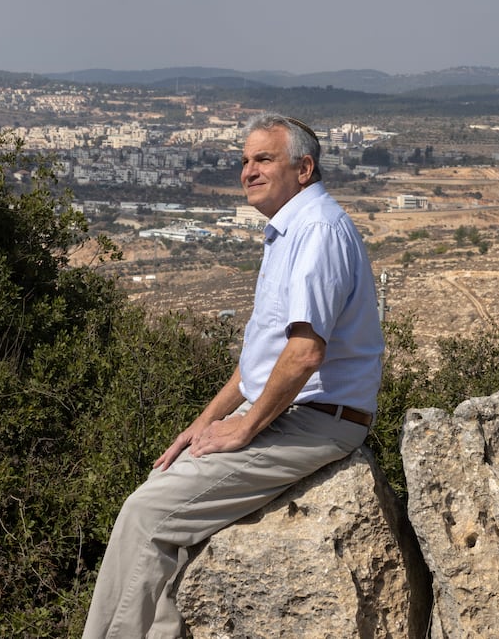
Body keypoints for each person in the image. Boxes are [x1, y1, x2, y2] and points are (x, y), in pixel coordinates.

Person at [82, 112, 385, 638]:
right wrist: (203, 424)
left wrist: (244, 428)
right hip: (292, 411)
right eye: (244, 161)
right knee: (169, 498)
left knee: (146, 514)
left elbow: (305, 354)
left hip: (317, 419)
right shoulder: (290, 231)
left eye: (264, 159)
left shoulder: (315, 230)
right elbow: (260, 363)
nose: (248, 170)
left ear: (304, 168)